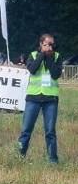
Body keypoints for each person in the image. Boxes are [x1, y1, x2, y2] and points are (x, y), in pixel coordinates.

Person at [18, 34, 62, 163]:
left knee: (50, 131)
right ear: (41, 44)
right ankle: (19, 157)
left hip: (50, 98)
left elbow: (55, 75)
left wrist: (49, 56)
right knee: (26, 130)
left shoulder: (57, 56)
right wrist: (42, 54)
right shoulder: (33, 55)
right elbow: (32, 69)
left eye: (52, 44)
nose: (50, 46)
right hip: (33, 98)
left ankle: (53, 160)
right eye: (47, 44)